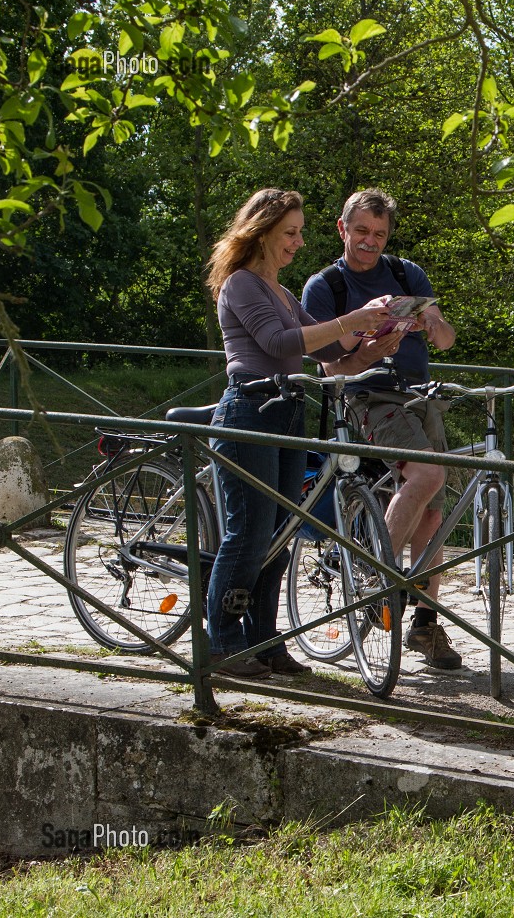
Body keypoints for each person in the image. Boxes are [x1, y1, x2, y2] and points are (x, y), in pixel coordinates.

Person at [205, 188, 392, 679]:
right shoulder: (241, 284)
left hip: (287, 411)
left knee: (280, 535)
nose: (298, 242)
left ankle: (264, 642)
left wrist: (375, 339)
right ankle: (220, 644)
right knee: (248, 533)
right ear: (261, 231)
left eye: (300, 232)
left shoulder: (284, 294)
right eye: (290, 232)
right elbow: (277, 341)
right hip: (250, 409)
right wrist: (347, 321)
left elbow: (332, 353)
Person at [301, 188, 462, 670]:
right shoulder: (325, 285)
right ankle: (375, 584)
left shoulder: (405, 272)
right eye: (362, 231)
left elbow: (448, 339)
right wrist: (370, 352)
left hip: (419, 394)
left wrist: (431, 323)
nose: (371, 241)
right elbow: (330, 371)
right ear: (342, 229)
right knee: (428, 475)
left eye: (380, 233)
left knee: (432, 515)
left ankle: (424, 625)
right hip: (368, 395)